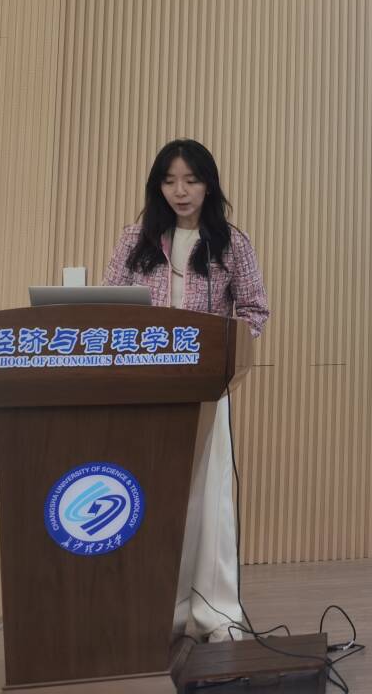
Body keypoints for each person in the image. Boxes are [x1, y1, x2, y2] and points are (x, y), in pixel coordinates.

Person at [104, 138, 269, 642]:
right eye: (170, 180)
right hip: (145, 389)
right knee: (151, 498)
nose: (180, 191)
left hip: (205, 389)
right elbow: (107, 306)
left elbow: (255, 312)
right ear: (158, 186)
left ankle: (214, 611)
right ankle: (154, 609)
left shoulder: (231, 243)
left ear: (208, 185)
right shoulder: (135, 239)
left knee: (208, 499)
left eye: (191, 180)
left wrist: (226, 351)